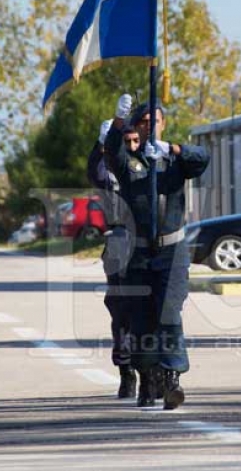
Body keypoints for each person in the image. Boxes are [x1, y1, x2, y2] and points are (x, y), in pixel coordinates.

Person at [104, 94, 209, 410]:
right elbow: (111, 153)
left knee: (169, 313)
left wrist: (173, 149)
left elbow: (202, 159)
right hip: (138, 253)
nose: (151, 126)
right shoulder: (129, 161)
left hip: (172, 251)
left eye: (156, 121)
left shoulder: (175, 160)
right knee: (141, 318)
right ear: (137, 126)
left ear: (164, 125)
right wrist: (118, 124)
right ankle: (148, 379)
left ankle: (172, 377)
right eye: (144, 122)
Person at [86, 118, 140, 399]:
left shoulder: (150, 168)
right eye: (125, 141)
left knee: (151, 310)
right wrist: (101, 142)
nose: (131, 147)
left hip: (147, 244)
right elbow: (94, 171)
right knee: (121, 312)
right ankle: (126, 371)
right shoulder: (111, 175)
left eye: (135, 141)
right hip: (119, 244)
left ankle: (154, 371)